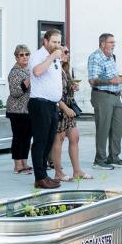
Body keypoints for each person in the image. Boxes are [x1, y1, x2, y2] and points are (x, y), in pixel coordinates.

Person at [29, 29, 65, 189]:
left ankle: (44, 174)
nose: (57, 45)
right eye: (54, 42)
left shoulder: (55, 58)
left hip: (51, 104)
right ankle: (39, 177)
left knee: (49, 141)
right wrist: (52, 57)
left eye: (59, 42)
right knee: (40, 141)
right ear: (45, 41)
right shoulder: (39, 55)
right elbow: (36, 72)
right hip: (40, 103)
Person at [88, 33, 122, 169]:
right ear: (102, 43)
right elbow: (93, 80)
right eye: (111, 42)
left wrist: (118, 86)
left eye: (114, 42)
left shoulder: (110, 57)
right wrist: (111, 81)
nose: (113, 45)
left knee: (117, 128)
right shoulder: (95, 57)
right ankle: (99, 160)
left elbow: (112, 75)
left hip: (115, 95)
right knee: (103, 128)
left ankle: (114, 158)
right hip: (102, 95)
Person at [53, 47, 91, 181]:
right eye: (63, 52)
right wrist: (64, 108)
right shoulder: (54, 69)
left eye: (67, 52)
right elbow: (53, 92)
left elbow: (66, 88)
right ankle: (58, 172)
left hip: (69, 108)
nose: (66, 54)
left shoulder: (66, 70)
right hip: (59, 108)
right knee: (59, 139)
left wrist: (73, 87)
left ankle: (77, 171)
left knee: (74, 137)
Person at [6, 47, 33, 174]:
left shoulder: (27, 70)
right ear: (16, 57)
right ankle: (17, 166)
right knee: (18, 137)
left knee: (27, 137)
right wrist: (29, 79)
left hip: (27, 110)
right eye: (21, 55)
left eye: (27, 54)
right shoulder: (15, 72)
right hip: (16, 110)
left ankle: (24, 163)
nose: (25, 57)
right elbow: (15, 92)